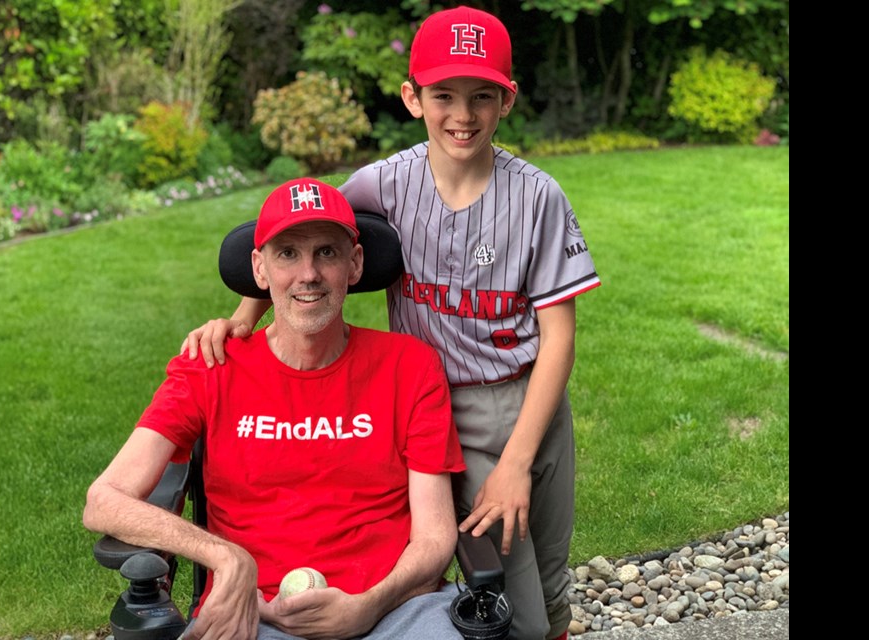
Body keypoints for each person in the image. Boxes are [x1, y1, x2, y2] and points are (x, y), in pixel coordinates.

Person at [183, 7, 601, 639]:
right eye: (444, 95)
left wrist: (520, 456)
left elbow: (560, 335)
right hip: (438, 405)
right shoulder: (382, 185)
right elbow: (297, 240)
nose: (462, 114)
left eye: (482, 95)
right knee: (514, 598)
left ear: (507, 100)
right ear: (413, 98)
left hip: (533, 398)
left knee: (548, 575)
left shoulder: (537, 194)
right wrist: (245, 313)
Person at [85, 177, 467, 640]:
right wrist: (227, 558)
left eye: (326, 252)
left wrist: (367, 606)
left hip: (395, 609)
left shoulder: (409, 366)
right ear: (259, 270)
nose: (308, 274)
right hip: (251, 613)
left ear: (355, 264)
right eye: (287, 253)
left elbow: (434, 538)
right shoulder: (211, 366)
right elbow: (104, 501)